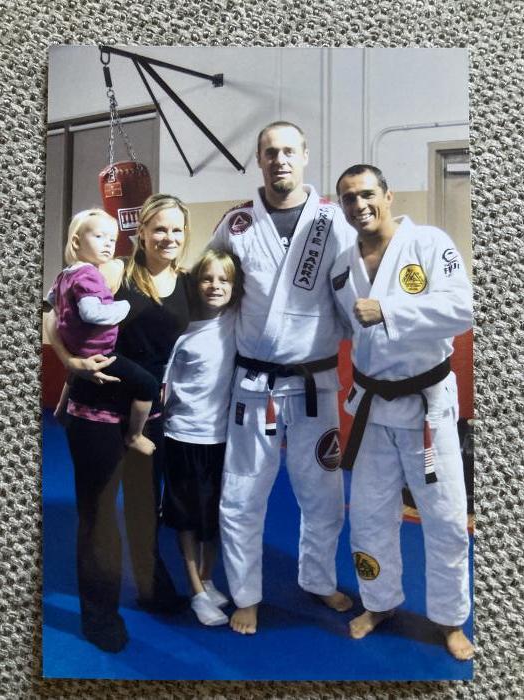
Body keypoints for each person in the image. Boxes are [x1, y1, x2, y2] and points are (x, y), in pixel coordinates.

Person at [210, 121, 356, 634]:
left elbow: (355, 298)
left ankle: (318, 578)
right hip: (254, 387)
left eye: (289, 151)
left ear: (305, 156)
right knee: (242, 494)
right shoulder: (236, 225)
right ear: (259, 159)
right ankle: (246, 594)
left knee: (324, 492)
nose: (280, 160)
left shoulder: (334, 222)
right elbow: (213, 297)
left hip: (316, 385)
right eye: (271, 152)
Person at [331, 164, 474, 660]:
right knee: (369, 517)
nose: (359, 205)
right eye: (348, 198)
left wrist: (390, 309)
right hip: (372, 412)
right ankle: (379, 602)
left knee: (446, 518)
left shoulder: (429, 244)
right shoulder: (343, 265)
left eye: (367, 194)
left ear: (388, 195)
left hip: (426, 413)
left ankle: (450, 619)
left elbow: (463, 309)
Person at [45, 193, 192, 652]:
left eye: (177, 229)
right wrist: (70, 361)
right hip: (98, 409)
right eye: (159, 228)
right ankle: (99, 615)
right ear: (141, 232)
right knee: (100, 514)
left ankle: (151, 587)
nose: (168, 237)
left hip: (149, 413)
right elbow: (53, 315)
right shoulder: (114, 271)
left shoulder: (187, 283)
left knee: (146, 508)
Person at [162, 249, 243, 626]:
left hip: (222, 438)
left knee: (216, 514)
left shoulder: (236, 322)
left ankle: (208, 579)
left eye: (224, 280)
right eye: (207, 279)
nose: (215, 286)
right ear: (195, 285)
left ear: (234, 287)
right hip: (183, 436)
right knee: (188, 518)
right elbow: (164, 387)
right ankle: (195, 591)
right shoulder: (182, 332)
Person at [47, 208, 157, 455]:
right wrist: (122, 307)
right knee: (148, 385)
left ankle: (61, 409)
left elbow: (52, 299)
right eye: (99, 237)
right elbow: (92, 313)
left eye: (112, 239)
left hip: (77, 347)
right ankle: (135, 435)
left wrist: (65, 313)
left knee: (75, 375)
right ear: (76, 242)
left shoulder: (65, 274)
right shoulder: (90, 274)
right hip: (100, 351)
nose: (108, 244)